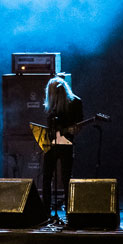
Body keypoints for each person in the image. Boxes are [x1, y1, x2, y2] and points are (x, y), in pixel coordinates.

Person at [41, 74, 83, 208]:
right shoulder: (52, 104)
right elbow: (50, 125)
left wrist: (74, 129)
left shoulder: (75, 102)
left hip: (66, 143)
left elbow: (79, 124)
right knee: (46, 177)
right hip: (51, 144)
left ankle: (69, 208)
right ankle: (46, 209)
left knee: (66, 178)